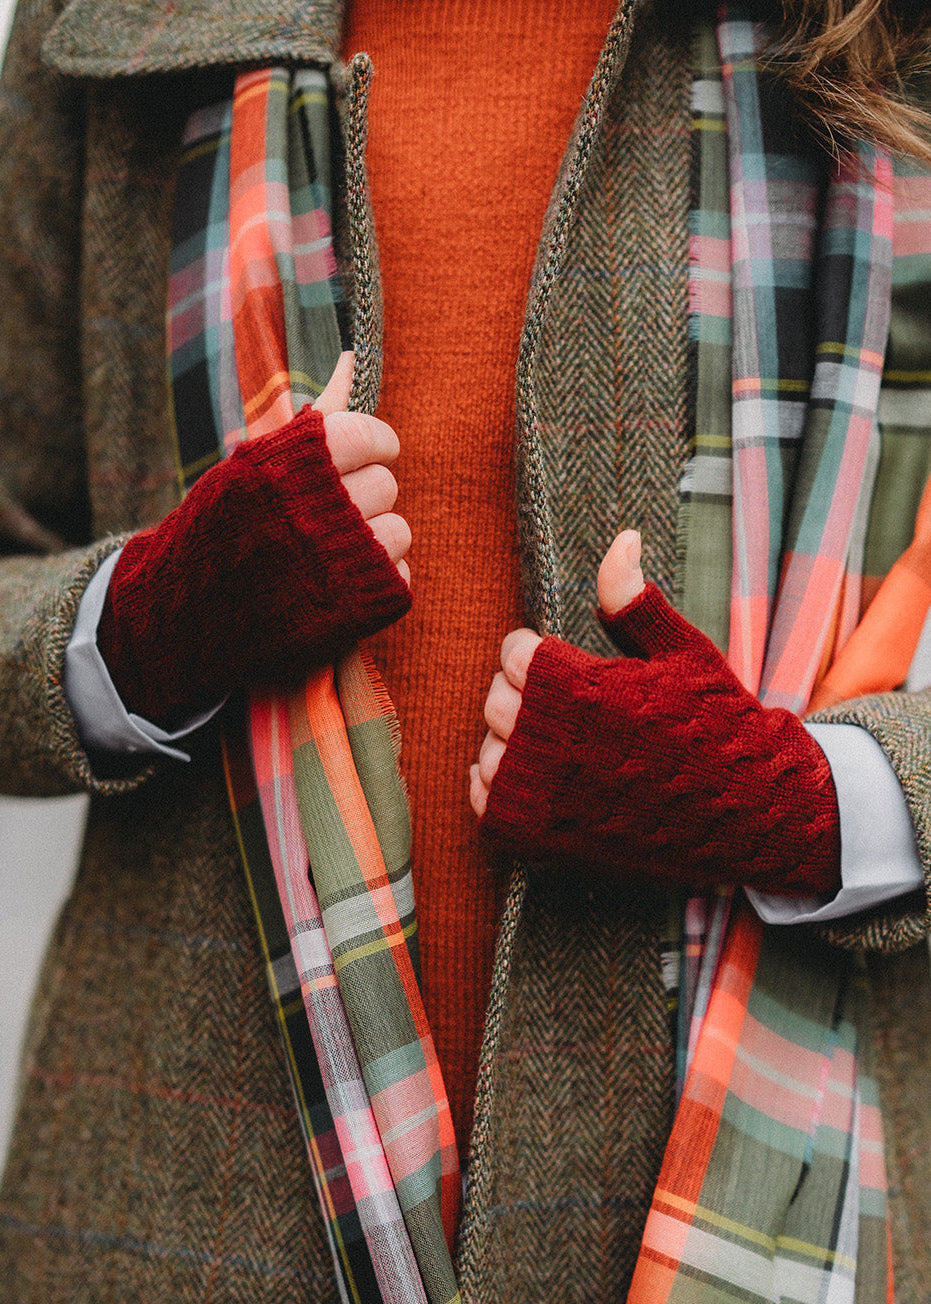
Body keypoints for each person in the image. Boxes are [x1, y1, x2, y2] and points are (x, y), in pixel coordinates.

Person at [2, 0, 931, 1299]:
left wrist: (799, 804)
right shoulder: (115, 22)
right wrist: (147, 623)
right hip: (187, 1210)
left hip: (762, 1184)